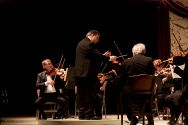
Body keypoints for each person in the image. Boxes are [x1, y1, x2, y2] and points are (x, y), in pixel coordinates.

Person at [74, 29, 116, 120]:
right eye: (97, 38)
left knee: (82, 95)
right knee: (90, 94)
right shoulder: (88, 44)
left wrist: (103, 55)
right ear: (92, 35)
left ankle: (82, 114)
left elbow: (93, 55)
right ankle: (89, 115)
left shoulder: (82, 43)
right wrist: (108, 58)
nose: (98, 40)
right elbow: (96, 55)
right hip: (87, 74)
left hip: (79, 74)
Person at [119, 43, 155, 125]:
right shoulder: (149, 60)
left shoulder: (126, 62)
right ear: (144, 51)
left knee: (123, 96)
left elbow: (121, 79)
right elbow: (152, 75)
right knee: (146, 98)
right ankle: (150, 120)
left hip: (130, 93)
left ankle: (132, 118)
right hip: (146, 92)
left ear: (134, 52)